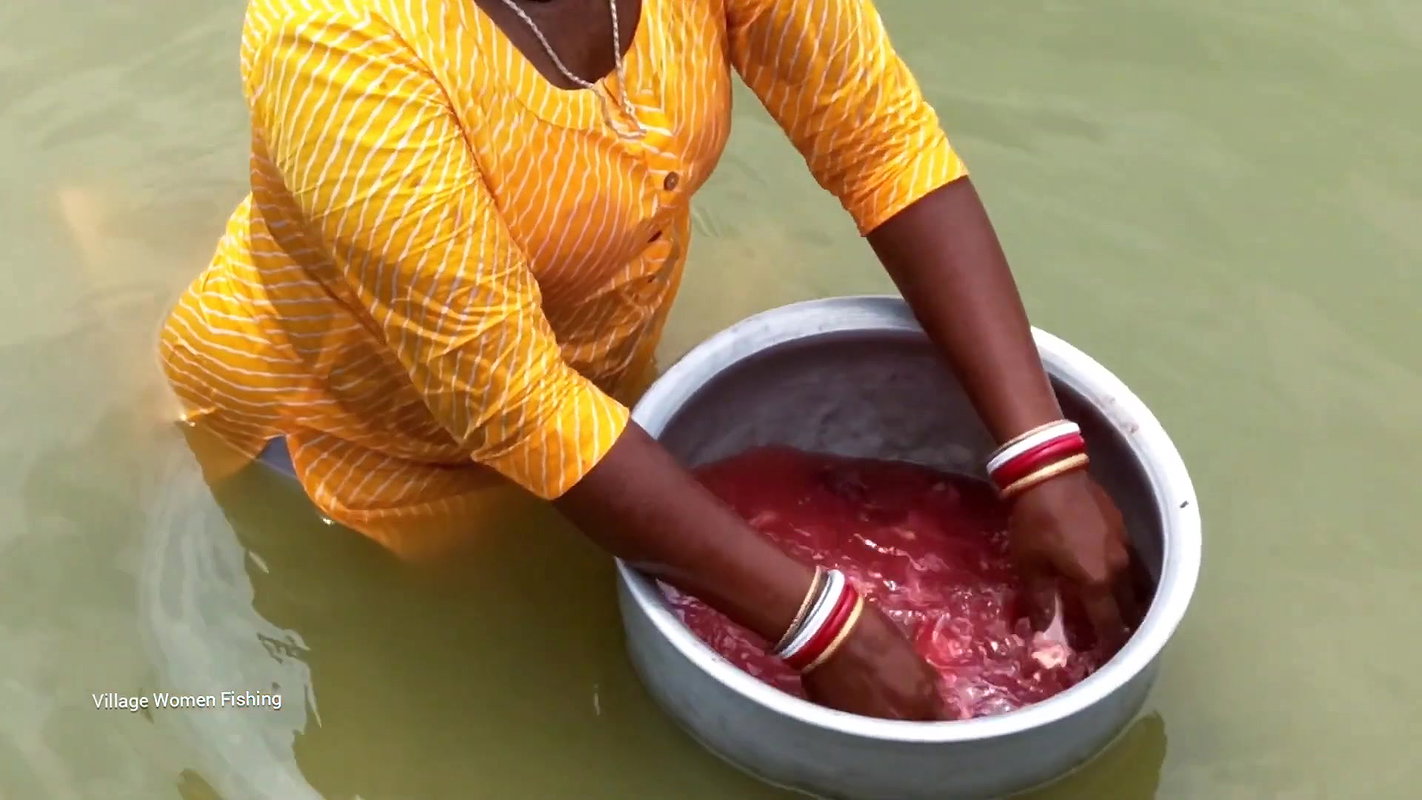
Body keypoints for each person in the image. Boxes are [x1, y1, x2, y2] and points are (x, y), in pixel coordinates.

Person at [160, 0, 1135, 722]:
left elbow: (879, 138)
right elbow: (513, 402)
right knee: (461, 678)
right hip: (358, 439)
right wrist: (824, 622)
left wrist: (1039, 448)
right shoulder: (339, 41)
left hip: (598, 383)